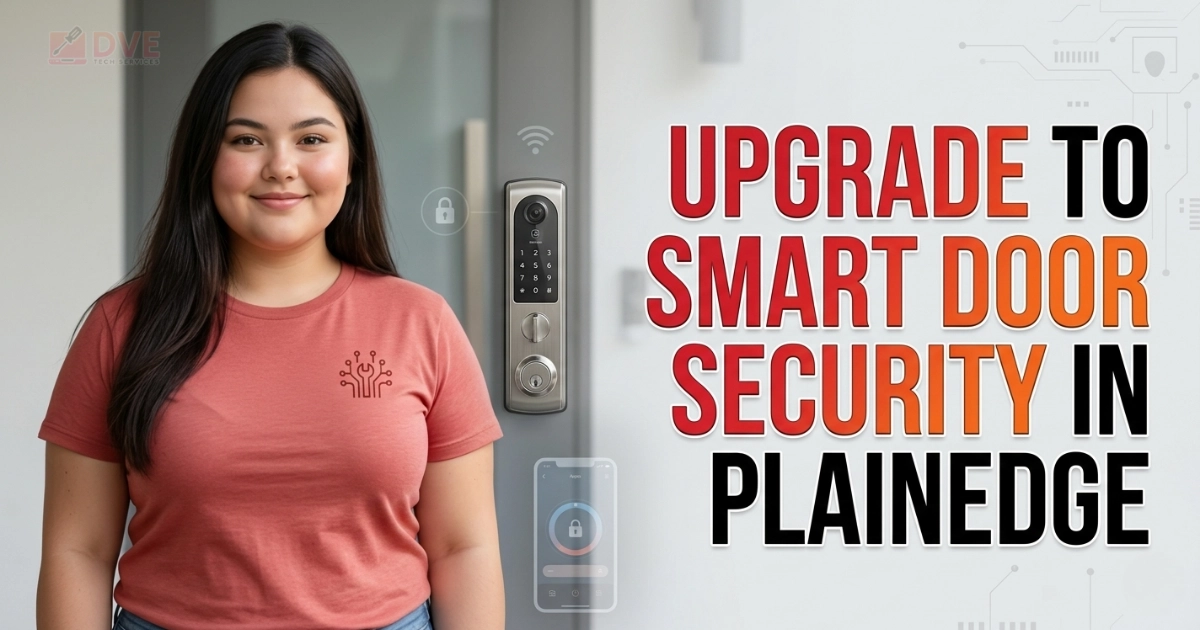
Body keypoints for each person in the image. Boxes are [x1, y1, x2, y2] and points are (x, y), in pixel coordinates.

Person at [35, 22, 504, 630]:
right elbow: (78, 551)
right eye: (247, 140)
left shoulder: (422, 323)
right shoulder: (121, 326)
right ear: (204, 158)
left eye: (312, 138)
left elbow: (463, 547)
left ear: (352, 159)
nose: (281, 167)